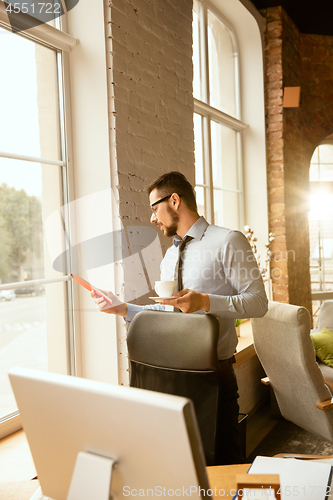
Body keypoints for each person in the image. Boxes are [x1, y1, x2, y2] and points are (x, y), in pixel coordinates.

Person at [92, 171, 268, 464]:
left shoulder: (228, 241)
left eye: (154, 208)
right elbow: (170, 312)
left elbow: (259, 303)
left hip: (213, 374)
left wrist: (205, 301)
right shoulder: (170, 257)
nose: (152, 218)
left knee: (222, 461)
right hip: (167, 376)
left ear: (175, 201)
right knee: (178, 463)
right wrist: (123, 309)